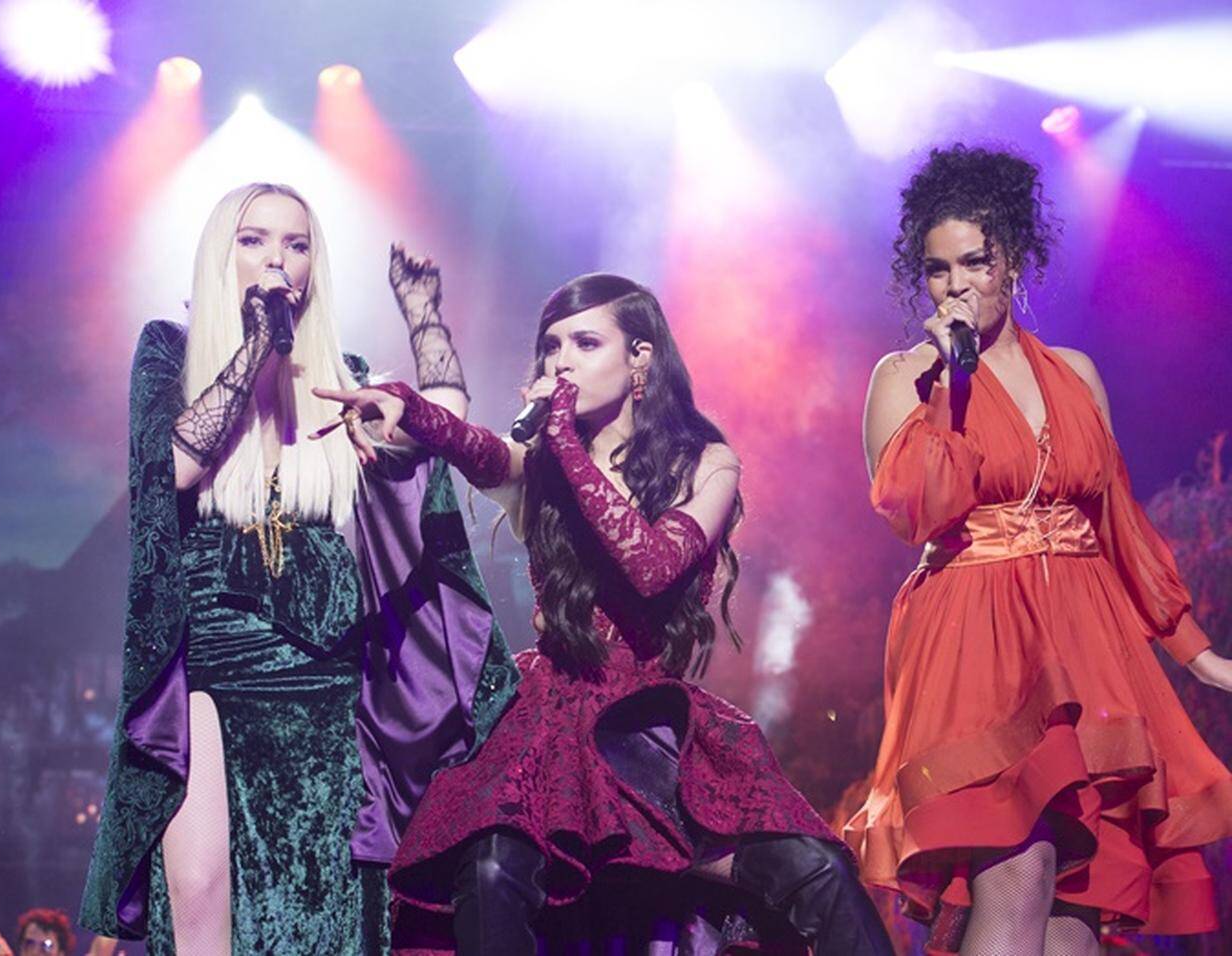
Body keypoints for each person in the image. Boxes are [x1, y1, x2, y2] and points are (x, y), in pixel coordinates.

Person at [313, 273, 894, 955]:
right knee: (493, 871)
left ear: (641, 357)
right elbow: (475, 447)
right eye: (551, 346)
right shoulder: (539, 463)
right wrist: (408, 408)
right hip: (550, 724)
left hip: (650, 733)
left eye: (586, 344)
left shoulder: (706, 463)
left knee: (819, 872)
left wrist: (561, 441)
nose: (561, 362)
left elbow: (653, 566)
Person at [78, 183, 516, 954]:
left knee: (319, 896)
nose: (277, 258)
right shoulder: (171, 352)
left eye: (297, 243)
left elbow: (438, 436)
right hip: (212, 659)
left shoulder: (341, 373)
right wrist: (258, 344)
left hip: (324, 672)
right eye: (254, 240)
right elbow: (172, 468)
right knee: (198, 885)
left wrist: (424, 319)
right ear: (222, 254)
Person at [846, 144, 1232, 955]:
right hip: (975, 641)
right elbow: (917, 510)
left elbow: (1118, 523)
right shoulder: (905, 377)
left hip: (1086, 644)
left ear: (1013, 261)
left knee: (1077, 907)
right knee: (1017, 870)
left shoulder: (1076, 375)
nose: (955, 285)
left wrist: (1196, 655)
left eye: (975, 262)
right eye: (938, 269)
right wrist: (952, 384)